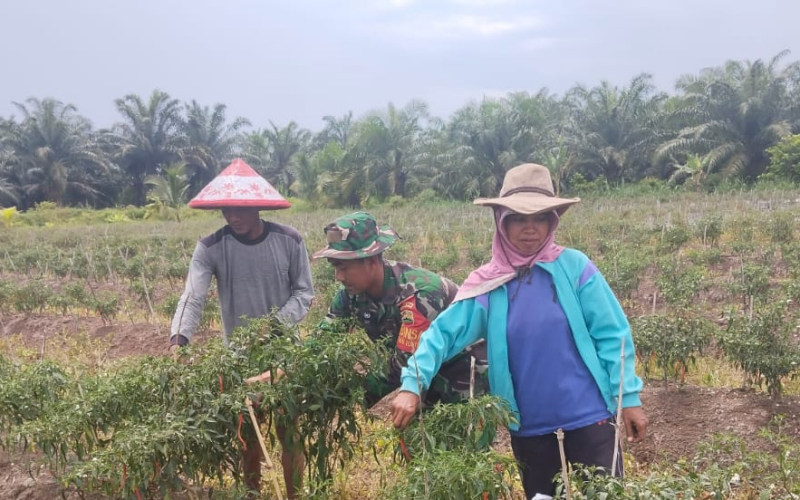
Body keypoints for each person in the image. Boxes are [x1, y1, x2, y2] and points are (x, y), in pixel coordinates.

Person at [390, 163, 648, 499]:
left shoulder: (575, 268)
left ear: (552, 221)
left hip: (591, 418)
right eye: (519, 219)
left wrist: (628, 398)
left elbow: (613, 335)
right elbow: (441, 335)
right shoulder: (488, 285)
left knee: (605, 495)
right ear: (501, 222)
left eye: (539, 218)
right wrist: (413, 384)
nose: (530, 229)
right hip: (529, 428)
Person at [169, 158, 314, 499]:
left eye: (240, 208)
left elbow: (304, 293)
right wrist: (179, 340)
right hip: (238, 358)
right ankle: (251, 494)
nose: (232, 216)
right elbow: (192, 296)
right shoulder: (210, 248)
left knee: (288, 432)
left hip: (284, 354)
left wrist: (274, 326)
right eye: (226, 209)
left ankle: (294, 495)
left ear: (257, 207)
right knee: (247, 437)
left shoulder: (289, 241)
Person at [312, 211, 488, 410]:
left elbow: (402, 363)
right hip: (422, 372)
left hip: (465, 371)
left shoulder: (419, 293)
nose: (338, 277)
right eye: (335, 268)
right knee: (413, 436)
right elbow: (324, 336)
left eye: (343, 268)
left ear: (371, 261)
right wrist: (290, 370)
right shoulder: (350, 295)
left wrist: (345, 399)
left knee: (459, 434)